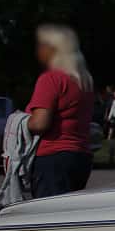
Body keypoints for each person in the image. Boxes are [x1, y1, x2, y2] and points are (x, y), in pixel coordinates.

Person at [28, 24, 95, 196]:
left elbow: (39, 124)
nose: (38, 50)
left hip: (52, 156)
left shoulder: (51, 79)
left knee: (48, 209)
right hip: (80, 154)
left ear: (53, 49)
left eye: (41, 45)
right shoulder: (84, 80)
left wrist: (19, 121)